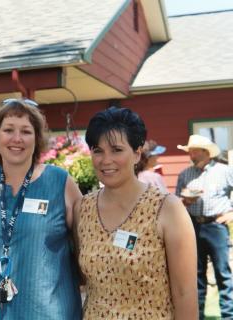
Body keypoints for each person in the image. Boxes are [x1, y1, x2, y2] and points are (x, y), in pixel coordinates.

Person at [0, 98, 83, 319]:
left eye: (26, 131)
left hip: (45, 312)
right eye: (8, 130)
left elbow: (86, 246)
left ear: (37, 138)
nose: (17, 139)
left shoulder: (61, 183)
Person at [76, 106, 198, 319]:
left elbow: (185, 293)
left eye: (116, 150)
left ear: (137, 153)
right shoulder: (83, 208)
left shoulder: (167, 209)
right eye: (98, 150)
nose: (106, 160)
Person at [176, 134, 233, 319]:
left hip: (216, 226)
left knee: (222, 273)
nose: (190, 154)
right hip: (193, 226)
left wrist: (230, 214)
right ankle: (197, 315)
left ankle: (228, 315)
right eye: (189, 151)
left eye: (193, 150)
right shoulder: (185, 174)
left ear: (205, 152)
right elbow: (177, 202)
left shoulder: (224, 171)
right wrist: (185, 201)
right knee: (197, 273)